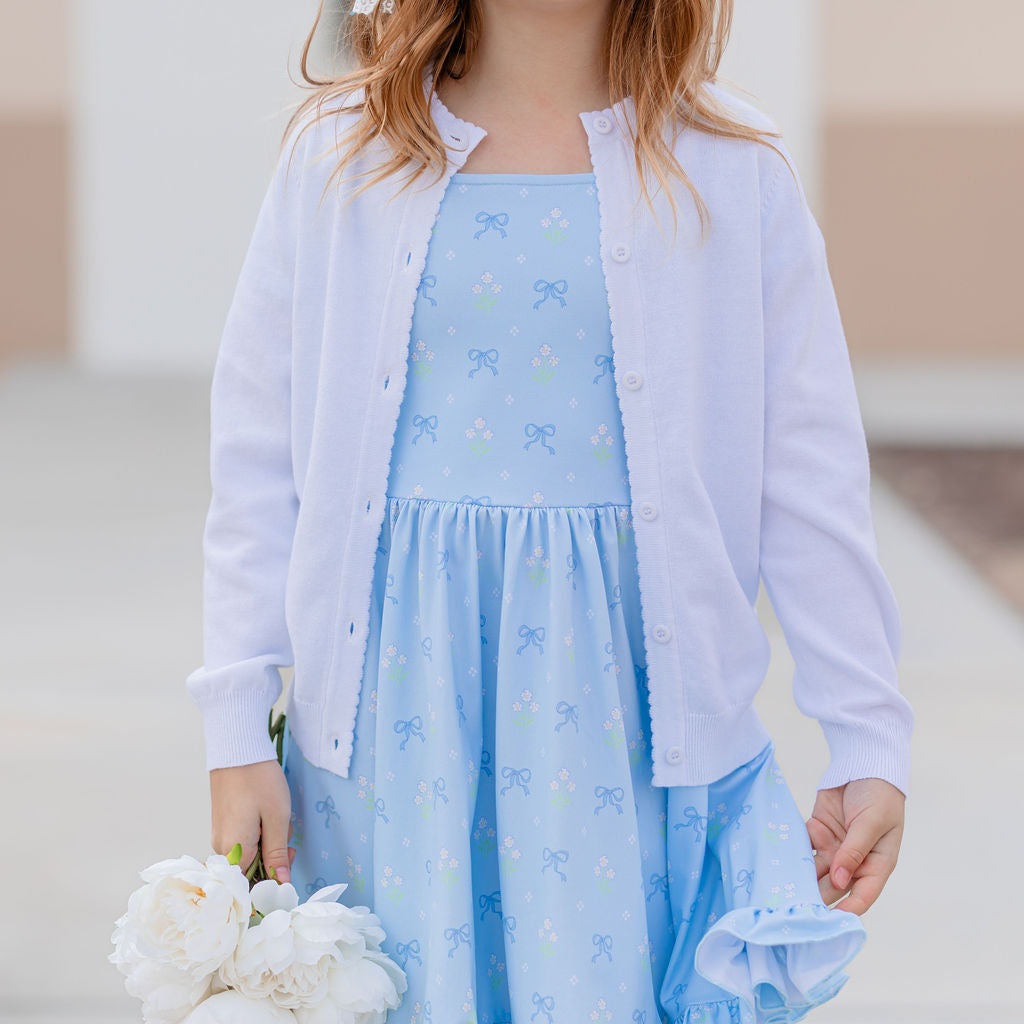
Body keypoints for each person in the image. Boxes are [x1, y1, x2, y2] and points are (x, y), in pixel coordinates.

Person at [188, 1, 915, 1020]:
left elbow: (808, 475)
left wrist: (865, 733)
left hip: (626, 732)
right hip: (396, 728)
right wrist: (236, 723)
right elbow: (258, 452)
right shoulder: (340, 154)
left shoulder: (730, 165)